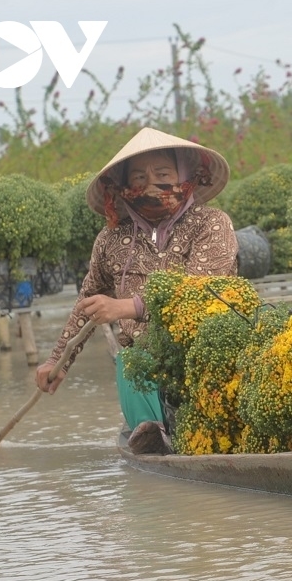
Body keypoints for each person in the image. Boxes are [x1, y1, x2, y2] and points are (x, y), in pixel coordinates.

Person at [36, 127, 237, 454]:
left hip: (206, 350)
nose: (152, 185)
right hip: (144, 362)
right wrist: (58, 361)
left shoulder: (211, 223)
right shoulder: (111, 239)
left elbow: (201, 291)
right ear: (125, 188)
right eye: (139, 178)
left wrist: (129, 307)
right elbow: (86, 303)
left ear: (184, 175)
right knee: (130, 358)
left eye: (163, 174)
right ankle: (152, 431)